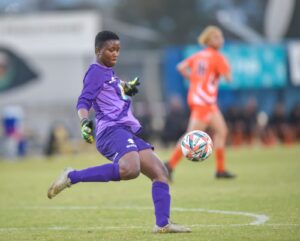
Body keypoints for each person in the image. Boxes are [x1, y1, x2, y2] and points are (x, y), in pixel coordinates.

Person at [47, 31, 190, 234]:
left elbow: (113, 87)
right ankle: (72, 176)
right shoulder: (95, 72)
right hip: (111, 130)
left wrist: (126, 87)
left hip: (125, 130)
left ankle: (162, 224)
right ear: (98, 51)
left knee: (160, 173)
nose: (115, 54)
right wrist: (84, 121)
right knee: (130, 169)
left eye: (118, 50)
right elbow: (84, 100)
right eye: (111, 50)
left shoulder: (108, 73)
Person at [164, 26, 236, 180]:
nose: (220, 40)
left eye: (220, 37)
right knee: (191, 137)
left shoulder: (199, 55)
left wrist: (194, 80)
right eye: (216, 37)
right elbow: (229, 79)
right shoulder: (217, 57)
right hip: (204, 101)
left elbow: (181, 67)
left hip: (202, 100)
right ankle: (168, 166)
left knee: (222, 131)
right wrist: (228, 65)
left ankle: (220, 170)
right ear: (209, 40)